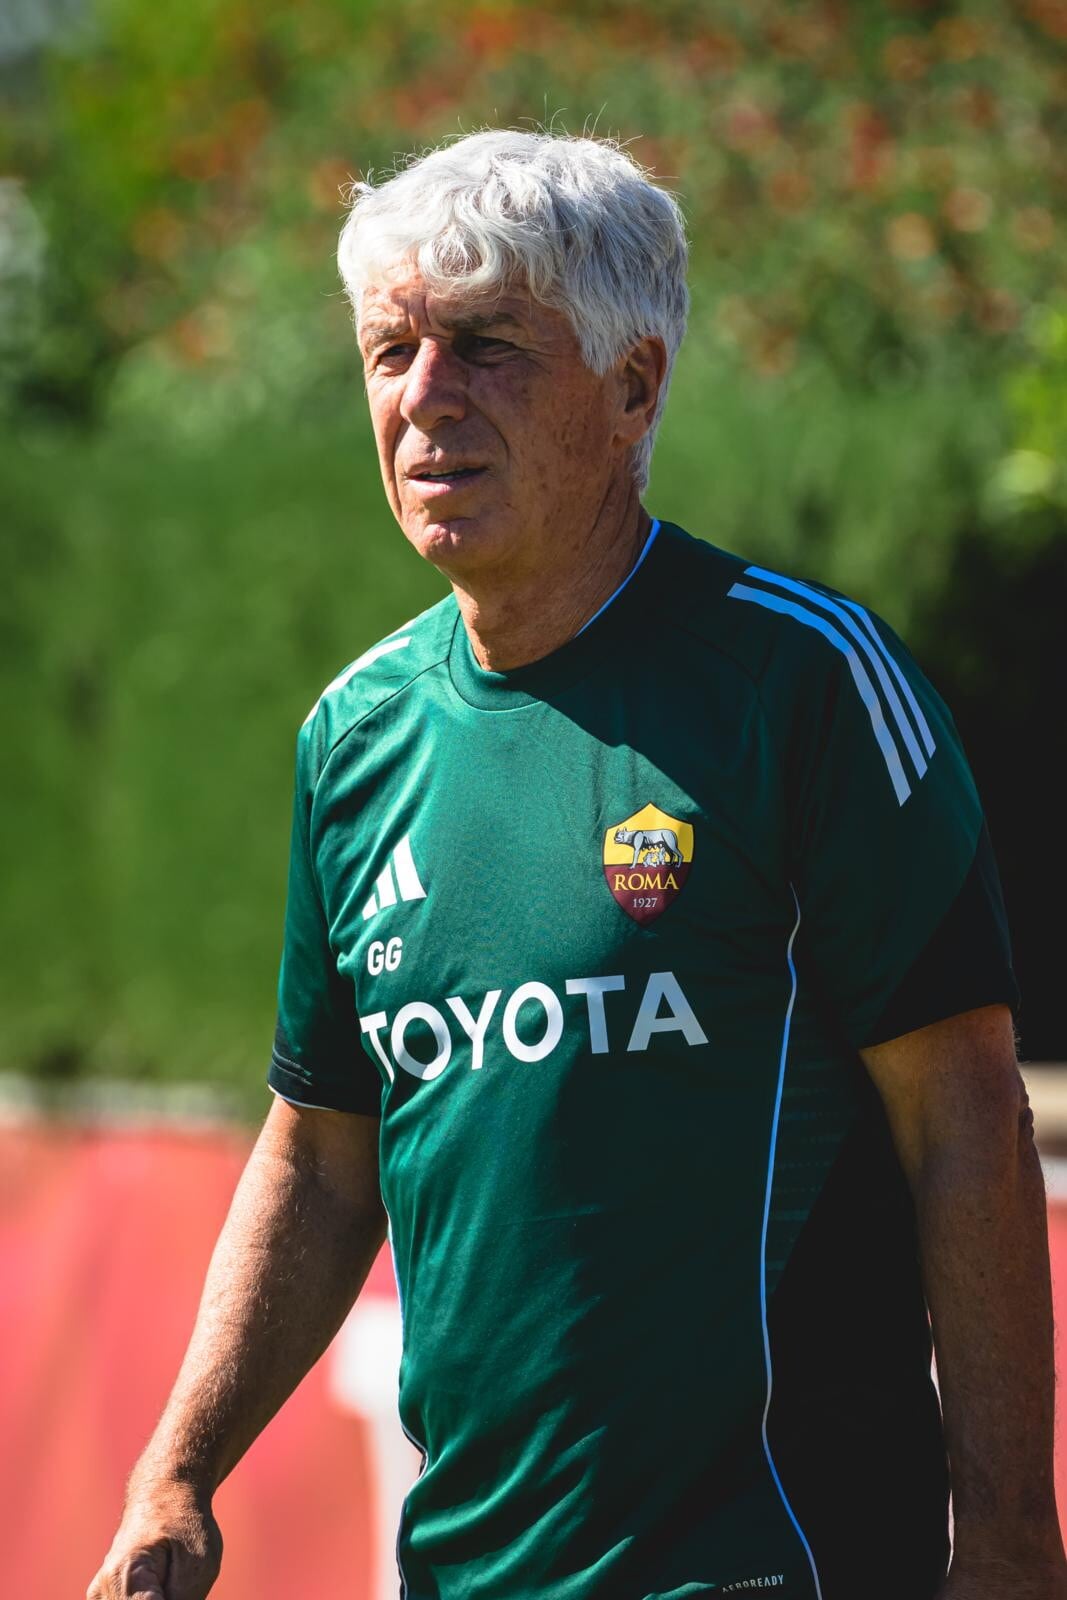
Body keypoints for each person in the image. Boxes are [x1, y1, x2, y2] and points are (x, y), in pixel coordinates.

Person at [89, 130, 1065, 1600]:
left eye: (487, 347)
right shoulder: (353, 738)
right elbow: (321, 1154)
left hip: (773, 1566)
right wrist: (175, 1472)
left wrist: (1007, 1543)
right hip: (459, 1573)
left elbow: (965, 1118)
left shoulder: (800, 683)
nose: (425, 398)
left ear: (634, 387)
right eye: (391, 351)